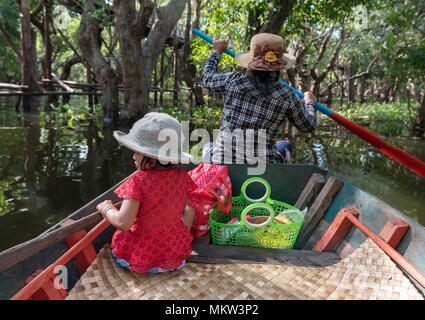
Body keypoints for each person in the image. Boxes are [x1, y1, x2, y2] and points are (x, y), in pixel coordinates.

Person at [96, 112, 196, 274]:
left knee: (124, 231)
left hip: (140, 258)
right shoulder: (182, 176)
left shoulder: (137, 181)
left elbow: (123, 223)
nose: (134, 157)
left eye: (138, 152)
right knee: (189, 210)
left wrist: (106, 208)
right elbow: (180, 210)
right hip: (175, 255)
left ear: (153, 158)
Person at [200, 33, 317, 164]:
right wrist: (309, 102)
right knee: (285, 145)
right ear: (278, 66)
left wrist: (216, 52)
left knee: (208, 146)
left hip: (223, 162)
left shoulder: (232, 81)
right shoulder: (287, 95)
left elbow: (206, 78)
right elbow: (308, 126)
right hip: (262, 166)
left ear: (251, 61)